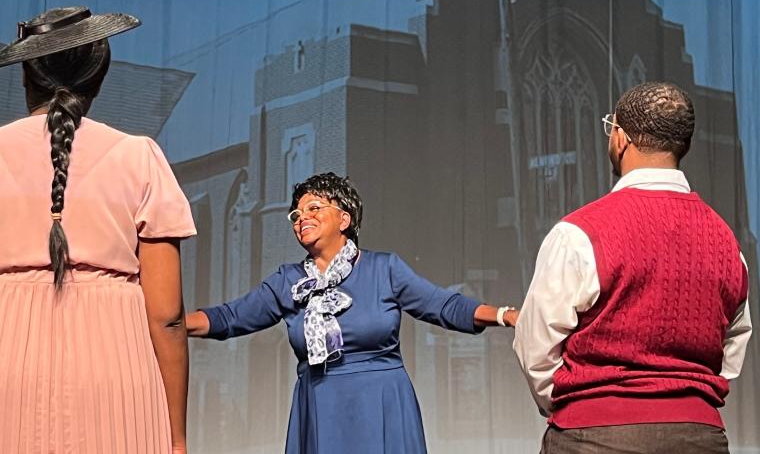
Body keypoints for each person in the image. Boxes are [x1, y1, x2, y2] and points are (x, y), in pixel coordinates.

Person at [0, 7, 196, 454]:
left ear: (26, 77)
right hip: (112, 369)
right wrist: (176, 436)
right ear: (99, 76)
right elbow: (168, 318)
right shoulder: (140, 160)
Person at [186, 171, 518, 453]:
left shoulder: (384, 269)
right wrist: (166, 322)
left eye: (314, 208)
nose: (303, 218)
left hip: (383, 403)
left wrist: (506, 315)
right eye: (296, 214)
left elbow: (444, 305)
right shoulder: (288, 281)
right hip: (319, 406)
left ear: (344, 219)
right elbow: (229, 317)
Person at [514, 82, 751, 454]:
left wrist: (575, 407)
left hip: (593, 436)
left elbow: (535, 345)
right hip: (698, 437)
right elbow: (731, 349)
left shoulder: (578, 233)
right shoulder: (727, 244)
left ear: (621, 138)